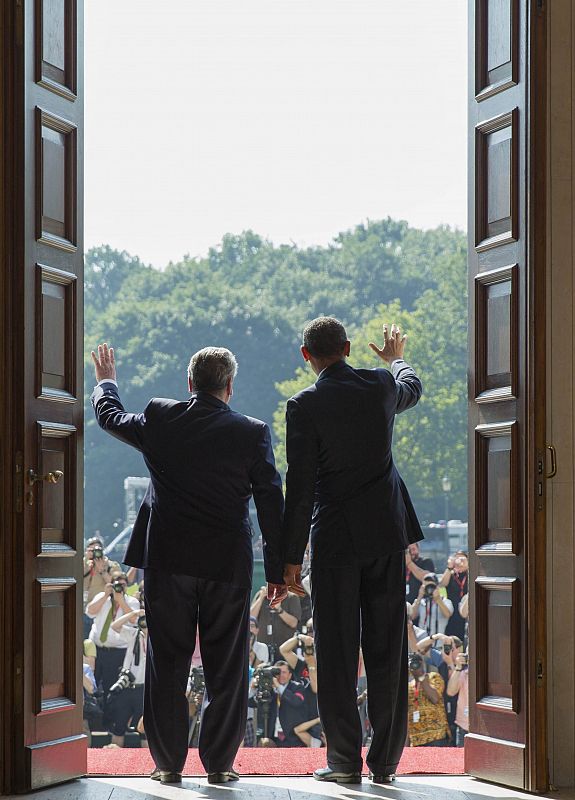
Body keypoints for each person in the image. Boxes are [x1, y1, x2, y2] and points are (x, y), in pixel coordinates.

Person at [90, 343, 284, 784]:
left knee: (168, 664)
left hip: (168, 559)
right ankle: (219, 764)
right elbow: (272, 501)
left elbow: (111, 418)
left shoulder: (162, 416)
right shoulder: (252, 432)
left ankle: (167, 763)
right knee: (226, 667)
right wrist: (278, 569)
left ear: (189, 384)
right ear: (230, 387)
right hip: (226, 564)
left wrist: (106, 382)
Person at [278, 317, 423, 784]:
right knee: (387, 650)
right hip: (385, 534)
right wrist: (395, 356)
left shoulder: (303, 405)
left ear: (307, 356)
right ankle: (385, 763)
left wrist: (289, 561)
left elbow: (298, 489)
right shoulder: (380, 385)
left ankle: (343, 761)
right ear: (346, 348)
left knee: (336, 652)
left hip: (335, 539)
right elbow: (410, 386)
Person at [407, 653, 449, 747]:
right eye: (411, 664)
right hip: (416, 738)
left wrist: (421, 677)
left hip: (436, 735)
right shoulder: (409, 687)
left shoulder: (434, 677)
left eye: (416, 663)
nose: (414, 666)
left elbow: (435, 698)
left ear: (421, 663)